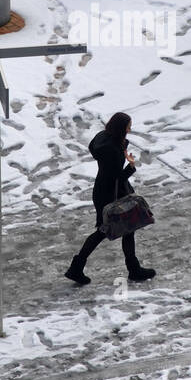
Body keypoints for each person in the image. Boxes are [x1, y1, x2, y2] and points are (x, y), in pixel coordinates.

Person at [64, 111, 156, 285]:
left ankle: (132, 269)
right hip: (111, 193)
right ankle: (76, 268)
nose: (130, 129)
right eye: (128, 126)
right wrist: (131, 165)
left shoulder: (104, 138)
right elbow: (117, 177)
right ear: (121, 128)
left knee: (128, 228)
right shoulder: (112, 150)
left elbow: (101, 155)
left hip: (104, 190)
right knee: (103, 231)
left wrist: (123, 152)